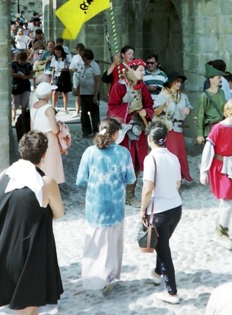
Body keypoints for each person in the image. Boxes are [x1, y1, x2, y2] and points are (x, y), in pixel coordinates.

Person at [0, 131, 64, 314]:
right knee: (26, 307)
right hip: (32, 251)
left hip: (6, 247)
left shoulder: (7, 174)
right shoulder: (46, 182)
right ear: (43, 154)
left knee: (31, 306)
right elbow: (59, 213)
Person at [76, 118, 135, 295]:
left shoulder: (89, 152)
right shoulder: (123, 153)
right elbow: (130, 178)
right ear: (116, 134)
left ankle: (92, 278)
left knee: (95, 243)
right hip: (115, 206)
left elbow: (81, 180)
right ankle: (109, 275)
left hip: (95, 205)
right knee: (112, 243)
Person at [140, 122, 182, 305]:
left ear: (150, 139)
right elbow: (178, 184)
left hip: (159, 211)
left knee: (164, 251)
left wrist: (142, 209)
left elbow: (147, 189)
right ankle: (157, 274)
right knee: (162, 243)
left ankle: (171, 292)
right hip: (176, 208)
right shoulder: (173, 157)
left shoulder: (151, 159)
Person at [200, 99, 232, 250]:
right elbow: (208, 149)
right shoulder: (218, 128)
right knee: (230, 199)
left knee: (228, 200)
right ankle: (221, 231)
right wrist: (204, 170)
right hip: (221, 167)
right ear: (229, 113)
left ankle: (220, 226)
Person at [107, 59, 154, 206]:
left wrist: (144, 111)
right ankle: (116, 195)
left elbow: (149, 105)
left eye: (143, 70)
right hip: (123, 132)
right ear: (131, 70)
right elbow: (112, 107)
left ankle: (130, 194)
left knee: (138, 163)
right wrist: (129, 108)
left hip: (138, 130)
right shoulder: (119, 87)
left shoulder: (142, 87)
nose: (143, 73)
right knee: (122, 164)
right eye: (140, 70)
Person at [153, 71, 193, 182]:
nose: (179, 84)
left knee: (180, 154)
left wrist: (188, 110)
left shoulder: (183, 96)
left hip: (179, 128)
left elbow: (190, 107)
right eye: (176, 81)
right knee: (172, 154)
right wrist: (163, 106)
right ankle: (170, 179)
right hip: (168, 128)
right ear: (170, 82)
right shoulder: (163, 95)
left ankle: (179, 177)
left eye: (180, 81)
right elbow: (154, 112)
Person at [30, 81, 64, 184]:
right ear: (48, 94)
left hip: (37, 137)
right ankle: (51, 184)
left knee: (41, 162)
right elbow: (55, 129)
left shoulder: (33, 106)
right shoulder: (49, 108)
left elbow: (32, 127)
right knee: (51, 164)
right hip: (49, 138)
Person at [73, 48, 102, 138]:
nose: (82, 59)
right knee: (84, 113)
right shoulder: (83, 65)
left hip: (92, 93)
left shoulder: (94, 66)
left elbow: (98, 80)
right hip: (83, 93)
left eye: (83, 57)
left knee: (94, 114)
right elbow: (79, 77)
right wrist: (77, 88)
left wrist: (96, 93)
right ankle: (86, 131)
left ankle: (96, 131)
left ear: (87, 57)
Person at [196, 63, 227, 144]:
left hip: (221, 127)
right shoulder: (204, 96)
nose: (221, 79)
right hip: (210, 130)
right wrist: (200, 134)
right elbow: (200, 115)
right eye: (218, 77)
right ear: (211, 80)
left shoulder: (222, 92)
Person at [11, 51, 33, 123]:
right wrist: (19, 75)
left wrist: (26, 77)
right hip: (16, 86)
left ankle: (23, 116)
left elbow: (31, 74)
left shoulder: (28, 65)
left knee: (24, 103)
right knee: (15, 103)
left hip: (25, 86)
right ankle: (14, 114)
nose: (22, 62)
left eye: (23, 61)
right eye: (20, 60)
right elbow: (11, 73)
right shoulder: (14, 64)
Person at [50, 44, 72, 113]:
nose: (57, 54)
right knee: (54, 91)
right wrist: (52, 78)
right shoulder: (54, 58)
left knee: (64, 92)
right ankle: (53, 107)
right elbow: (53, 68)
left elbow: (71, 66)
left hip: (64, 74)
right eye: (56, 53)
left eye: (58, 53)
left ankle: (65, 108)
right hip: (57, 75)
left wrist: (66, 68)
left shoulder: (67, 57)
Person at [70, 42, 85, 114]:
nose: (79, 51)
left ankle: (84, 109)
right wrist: (73, 69)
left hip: (84, 75)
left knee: (84, 93)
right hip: (76, 75)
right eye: (78, 50)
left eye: (80, 50)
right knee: (77, 93)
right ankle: (77, 110)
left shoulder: (85, 56)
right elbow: (71, 67)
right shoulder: (75, 57)